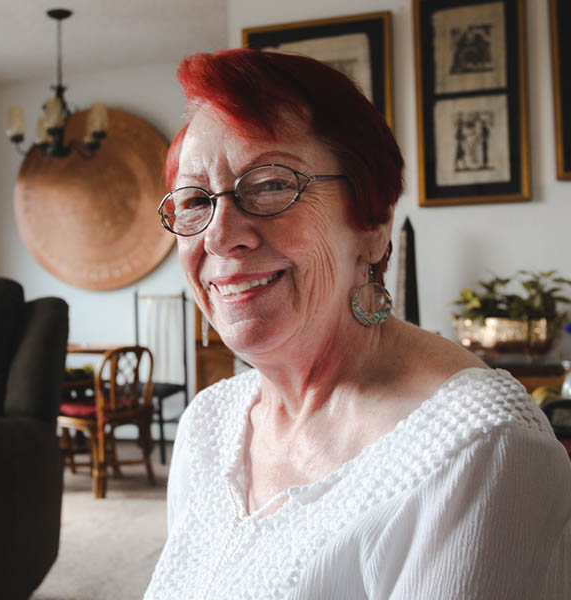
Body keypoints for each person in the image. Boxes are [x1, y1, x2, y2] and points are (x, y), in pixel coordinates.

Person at [145, 49, 571, 599]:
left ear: (371, 222)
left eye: (271, 185)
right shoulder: (210, 422)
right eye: (194, 200)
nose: (220, 235)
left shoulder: (479, 448)